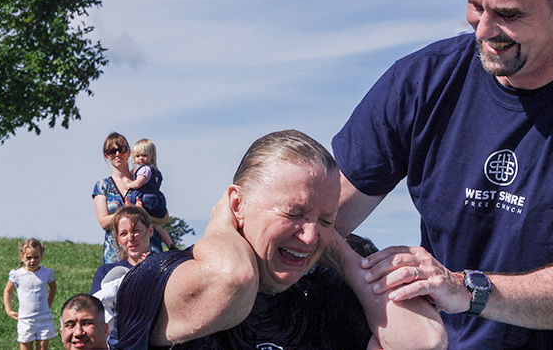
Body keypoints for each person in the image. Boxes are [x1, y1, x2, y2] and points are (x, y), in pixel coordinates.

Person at [332, 0, 553, 349]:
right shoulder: (420, 83)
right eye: (475, 5)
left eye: (508, 14)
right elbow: (321, 218)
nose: (484, 29)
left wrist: (467, 289)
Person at [108, 130, 447, 349]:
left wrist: (339, 251)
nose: (311, 234)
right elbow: (232, 281)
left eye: (326, 219)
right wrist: (222, 225)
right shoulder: (158, 275)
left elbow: (425, 342)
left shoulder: (327, 288)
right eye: (294, 214)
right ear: (237, 204)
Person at [93, 132, 165, 264]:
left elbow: (164, 217)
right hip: (115, 255)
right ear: (106, 156)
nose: (117, 154)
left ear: (129, 151)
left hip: (148, 254)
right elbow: (103, 222)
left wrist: (143, 214)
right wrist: (128, 210)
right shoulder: (102, 186)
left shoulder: (144, 178)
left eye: (122, 149)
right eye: (111, 151)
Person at [3, 238, 57, 350]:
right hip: (26, 319)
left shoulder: (46, 273)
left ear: (41, 257)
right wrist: (8, 310)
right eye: (28, 258)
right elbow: (8, 291)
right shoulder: (17, 275)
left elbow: (53, 287)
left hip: (43, 318)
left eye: (36, 257)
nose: (32, 261)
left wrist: (48, 303)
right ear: (22, 257)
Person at [124, 139, 174, 250]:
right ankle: (171, 245)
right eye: (137, 156)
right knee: (158, 227)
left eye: (143, 155)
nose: (140, 158)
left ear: (152, 156)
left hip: (146, 200)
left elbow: (138, 184)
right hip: (157, 201)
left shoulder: (145, 169)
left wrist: (129, 184)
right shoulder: (156, 171)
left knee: (134, 212)